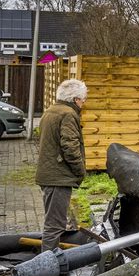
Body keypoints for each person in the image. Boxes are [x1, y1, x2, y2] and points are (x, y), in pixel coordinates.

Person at [35, 78, 88, 252]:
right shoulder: (68, 114)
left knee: (54, 221)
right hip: (58, 177)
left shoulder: (51, 110)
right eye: (82, 99)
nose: (83, 103)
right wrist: (80, 171)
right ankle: (46, 269)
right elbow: (70, 147)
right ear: (75, 99)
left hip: (50, 174)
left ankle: (52, 259)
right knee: (55, 225)